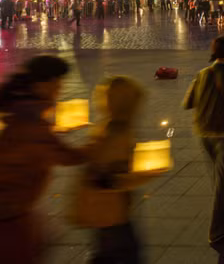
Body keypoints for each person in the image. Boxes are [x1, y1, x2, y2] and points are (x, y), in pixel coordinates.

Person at [0, 56, 84, 264]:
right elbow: (67, 156)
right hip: (9, 219)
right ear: (41, 85)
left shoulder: (19, 112)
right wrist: (100, 145)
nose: (60, 89)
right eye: (57, 83)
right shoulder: (32, 124)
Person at [71, 76, 157, 264]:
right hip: (111, 213)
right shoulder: (118, 131)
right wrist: (145, 174)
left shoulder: (106, 126)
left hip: (101, 211)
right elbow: (107, 177)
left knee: (106, 254)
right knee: (124, 254)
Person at [182, 36, 224, 244]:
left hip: (202, 130)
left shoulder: (202, 73)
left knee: (220, 179)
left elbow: (188, 102)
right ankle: (219, 229)